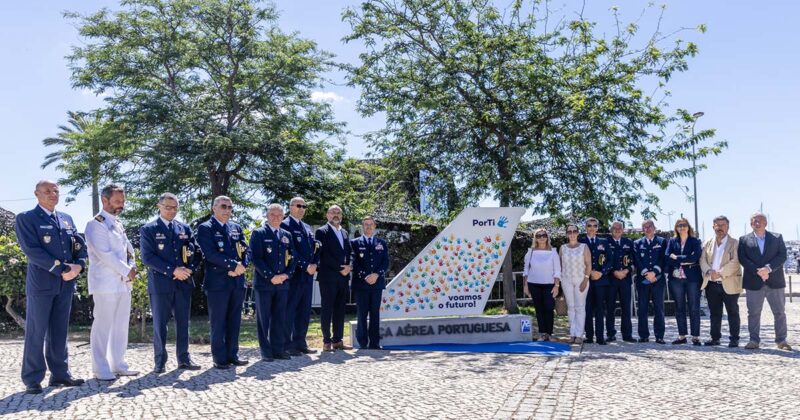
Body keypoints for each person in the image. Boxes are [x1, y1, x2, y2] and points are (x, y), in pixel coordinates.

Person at [14, 180, 87, 394]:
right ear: (36, 194)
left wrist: (79, 266)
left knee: (59, 331)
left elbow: (78, 245)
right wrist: (63, 269)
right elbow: (32, 250)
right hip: (43, 284)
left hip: (65, 284)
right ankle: (32, 378)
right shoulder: (27, 218)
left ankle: (60, 374)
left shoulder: (66, 219)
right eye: (47, 191)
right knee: (36, 332)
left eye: (55, 190)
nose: (52, 194)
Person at [140, 193, 201, 373]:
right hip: (161, 285)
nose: (171, 211)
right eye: (168, 207)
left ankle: (184, 358)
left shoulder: (184, 228)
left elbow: (196, 252)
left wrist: (190, 269)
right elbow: (148, 257)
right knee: (160, 324)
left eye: (175, 208)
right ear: (159, 206)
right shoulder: (149, 229)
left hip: (183, 283)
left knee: (183, 323)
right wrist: (173, 270)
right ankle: (160, 361)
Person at [85, 183, 139, 380]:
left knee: (120, 325)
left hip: (123, 283)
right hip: (105, 284)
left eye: (123, 201)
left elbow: (128, 250)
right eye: (117, 201)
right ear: (105, 200)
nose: (121, 205)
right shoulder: (95, 224)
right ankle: (100, 368)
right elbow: (105, 255)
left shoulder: (117, 223)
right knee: (103, 324)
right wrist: (127, 271)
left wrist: (132, 266)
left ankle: (118, 363)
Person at [197, 196, 250, 369]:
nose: (227, 210)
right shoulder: (205, 228)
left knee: (234, 320)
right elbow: (210, 254)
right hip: (218, 283)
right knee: (218, 322)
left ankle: (232, 354)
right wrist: (233, 265)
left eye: (230, 207)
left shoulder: (236, 227)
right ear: (214, 208)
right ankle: (219, 358)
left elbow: (246, 250)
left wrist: (243, 265)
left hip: (237, 282)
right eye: (223, 206)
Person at [738, 212, 791, 350]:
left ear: (766, 223)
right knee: (753, 313)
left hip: (775, 281)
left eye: (760, 220)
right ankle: (754, 341)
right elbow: (743, 258)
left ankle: (781, 341)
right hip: (753, 282)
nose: (757, 223)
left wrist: (768, 268)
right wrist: (758, 271)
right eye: (754, 221)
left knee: (779, 312)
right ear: (751, 224)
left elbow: (782, 255)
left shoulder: (777, 237)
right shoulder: (743, 240)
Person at [249, 204, 296, 361]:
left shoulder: (287, 235)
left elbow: (292, 258)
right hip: (264, 284)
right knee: (264, 319)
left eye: (279, 215)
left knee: (279, 317)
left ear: (283, 216)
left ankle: (278, 349)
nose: (276, 218)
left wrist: (286, 275)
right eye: (272, 215)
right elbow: (256, 258)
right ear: (267, 216)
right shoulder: (259, 233)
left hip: (283, 283)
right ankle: (266, 351)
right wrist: (270, 276)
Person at [280, 197, 319, 355]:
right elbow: (290, 250)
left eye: (304, 206)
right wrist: (305, 265)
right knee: (290, 310)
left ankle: (300, 342)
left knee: (304, 310)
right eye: (298, 205)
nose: (302, 208)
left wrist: (315, 264)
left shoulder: (307, 227)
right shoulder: (285, 225)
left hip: (308, 275)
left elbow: (314, 248)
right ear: (290, 207)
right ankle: (286, 344)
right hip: (294, 274)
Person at [699, 215, 742, 347]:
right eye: (717, 225)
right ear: (713, 227)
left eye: (723, 225)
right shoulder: (707, 243)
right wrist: (708, 271)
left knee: (732, 312)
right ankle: (715, 338)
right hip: (711, 283)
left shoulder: (735, 243)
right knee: (715, 313)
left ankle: (734, 338)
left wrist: (720, 273)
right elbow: (702, 260)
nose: (720, 228)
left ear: (728, 227)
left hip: (729, 282)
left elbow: (735, 262)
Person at [315, 205, 353, 352]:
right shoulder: (321, 231)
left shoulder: (344, 232)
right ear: (327, 215)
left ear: (341, 216)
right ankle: (326, 341)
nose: (335, 215)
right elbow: (323, 255)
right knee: (327, 309)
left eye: (338, 212)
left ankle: (338, 340)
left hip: (343, 277)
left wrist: (349, 267)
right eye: (332, 212)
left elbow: (349, 252)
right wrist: (340, 268)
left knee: (340, 310)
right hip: (328, 276)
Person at [351, 216, 390, 349]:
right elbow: (353, 262)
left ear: (374, 226)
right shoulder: (355, 243)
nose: (368, 227)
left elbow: (385, 262)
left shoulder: (381, 243)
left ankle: (374, 342)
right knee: (362, 313)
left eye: (371, 224)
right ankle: (362, 342)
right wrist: (365, 276)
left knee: (375, 313)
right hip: (361, 284)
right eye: (366, 224)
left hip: (377, 284)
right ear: (362, 226)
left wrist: (376, 275)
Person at [665, 218, 703, 346]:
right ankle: (682, 336)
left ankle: (695, 336)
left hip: (692, 279)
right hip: (676, 279)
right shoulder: (672, 241)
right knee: (679, 307)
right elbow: (667, 257)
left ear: (688, 226)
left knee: (694, 307)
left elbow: (696, 256)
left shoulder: (695, 241)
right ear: (676, 228)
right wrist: (685, 260)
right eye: (679, 225)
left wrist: (678, 258)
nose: (682, 227)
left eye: (684, 225)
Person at [523, 228, 561, 342]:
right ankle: (542, 334)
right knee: (539, 309)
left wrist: (557, 285)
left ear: (547, 237)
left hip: (549, 284)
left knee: (549, 308)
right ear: (535, 238)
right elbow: (526, 270)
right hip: (534, 284)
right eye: (538, 236)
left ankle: (549, 333)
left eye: (543, 235)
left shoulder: (553, 251)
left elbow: (557, 270)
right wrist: (525, 285)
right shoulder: (531, 252)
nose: (541, 237)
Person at [633, 219, 667, 344]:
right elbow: (637, 260)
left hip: (658, 280)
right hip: (643, 281)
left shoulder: (662, 242)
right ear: (642, 229)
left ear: (654, 227)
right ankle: (643, 335)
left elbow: (663, 258)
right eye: (645, 227)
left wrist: (655, 272)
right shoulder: (637, 243)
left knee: (659, 308)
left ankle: (659, 336)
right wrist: (646, 273)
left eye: (650, 226)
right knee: (642, 308)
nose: (647, 229)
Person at [578, 218, 612, 345]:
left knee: (599, 309)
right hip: (585, 280)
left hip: (600, 280)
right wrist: (588, 273)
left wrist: (601, 272)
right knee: (586, 308)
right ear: (585, 227)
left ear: (597, 228)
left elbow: (610, 260)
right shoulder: (580, 241)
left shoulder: (604, 242)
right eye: (589, 225)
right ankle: (589, 336)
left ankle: (600, 337)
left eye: (594, 225)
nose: (592, 228)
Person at [559, 224, 591, 344]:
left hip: (581, 280)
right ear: (567, 234)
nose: (572, 233)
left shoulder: (584, 247)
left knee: (580, 307)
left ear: (578, 233)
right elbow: (560, 266)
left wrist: (585, 279)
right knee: (570, 307)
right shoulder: (562, 248)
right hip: (566, 280)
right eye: (569, 231)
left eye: (574, 231)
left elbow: (588, 264)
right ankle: (572, 333)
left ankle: (579, 335)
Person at [606, 221, 636, 343]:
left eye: (620, 228)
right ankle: (610, 333)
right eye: (615, 228)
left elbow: (633, 261)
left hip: (625, 279)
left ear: (623, 230)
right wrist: (614, 271)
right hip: (611, 279)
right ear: (611, 229)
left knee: (626, 308)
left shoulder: (629, 243)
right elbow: (604, 260)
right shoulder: (606, 242)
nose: (617, 229)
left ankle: (627, 334)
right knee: (610, 308)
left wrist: (626, 271)